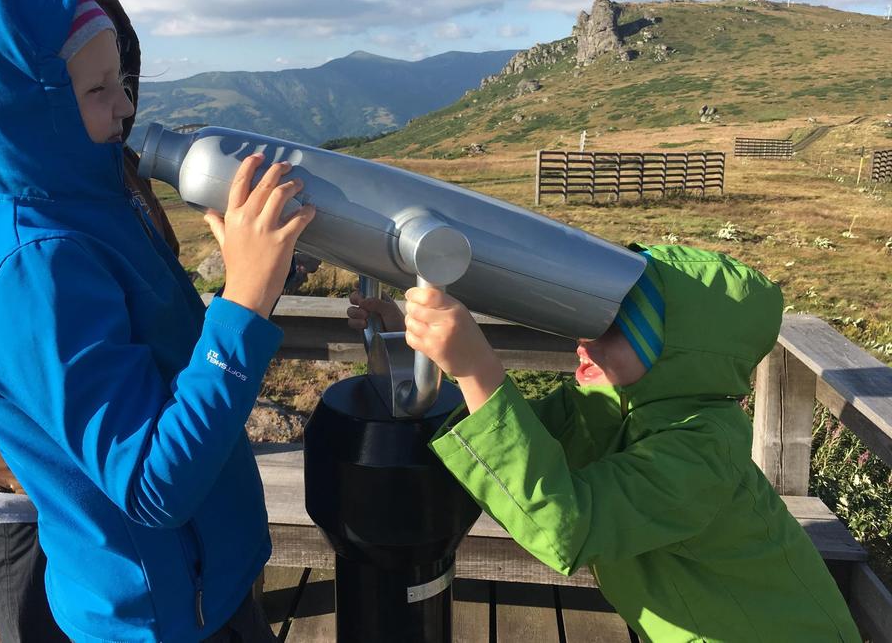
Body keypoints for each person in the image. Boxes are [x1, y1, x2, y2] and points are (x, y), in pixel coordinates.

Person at [0, 0, 314, 642]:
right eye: (97, 89)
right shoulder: (32, 271)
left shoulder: (86, 195)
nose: (125, 105)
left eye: (121, 79)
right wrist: (243, 300)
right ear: (25, 105)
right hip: (163, 620)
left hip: (206, 590)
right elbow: (153, 485)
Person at [349, 244, 861, 642]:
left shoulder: (700, 449)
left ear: (675, 355)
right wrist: (415, 348)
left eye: (616, 329)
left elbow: (565, 528)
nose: (583, 341)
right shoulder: (606, 403)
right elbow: (507, 441)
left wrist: (477, 369)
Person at [0, 0, 177, 642]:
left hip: (102, 462)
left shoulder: (102, 170)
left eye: (122, 73)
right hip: (18, 483)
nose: (124, 105)